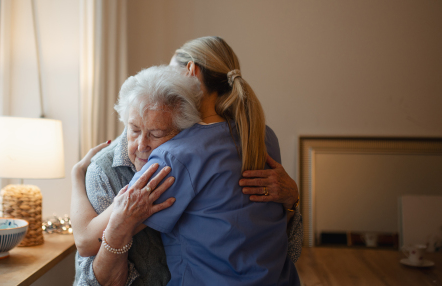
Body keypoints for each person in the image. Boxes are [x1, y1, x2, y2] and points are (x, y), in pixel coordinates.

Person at [72, 37, 302, 285]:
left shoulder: (177, 155)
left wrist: (76, 176)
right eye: (135, 130)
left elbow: (86, 240)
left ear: (191, 71)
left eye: (171, 75)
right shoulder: (262, 135)